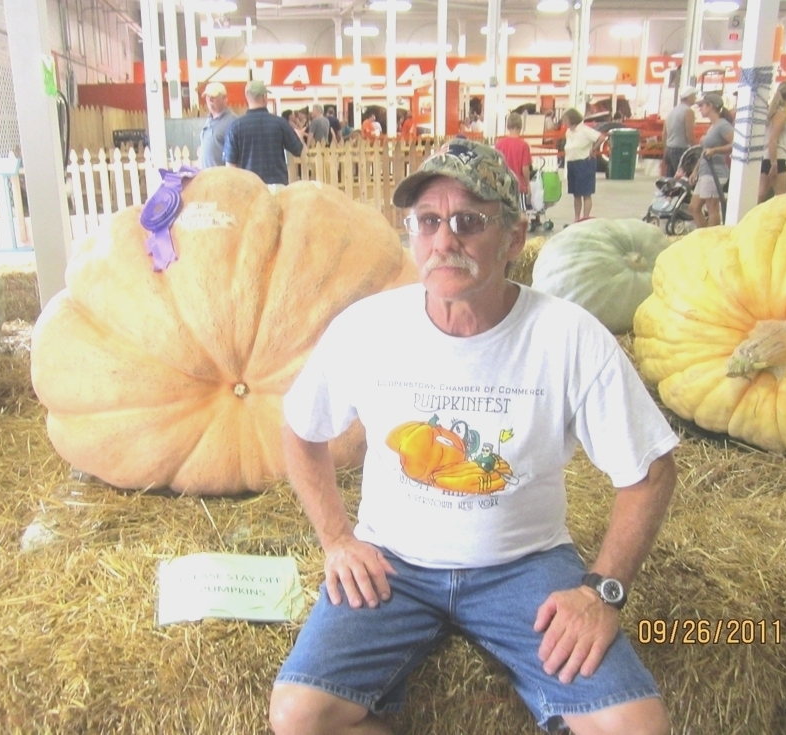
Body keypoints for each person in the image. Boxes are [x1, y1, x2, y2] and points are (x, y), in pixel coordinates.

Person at [269, 138, 678, 735]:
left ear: (514, 238)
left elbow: (651, 469)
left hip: (525, 567)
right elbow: (300, 428)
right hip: (393, 566)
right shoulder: (367, 328)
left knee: (636, 727)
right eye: (427, 222)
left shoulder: (567, 336)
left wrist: (602, 592)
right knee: (299, 716)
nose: (444, 240)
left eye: (468, 222)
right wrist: (336, 539)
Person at [223, 80, 304, 186]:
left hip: (250, 187)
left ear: (247, 97)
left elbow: (230, 166)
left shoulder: (235, 126)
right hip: (277, 185)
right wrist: (300, 136)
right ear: (264, 97)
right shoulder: (279, 123)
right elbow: (298, 149)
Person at [688, 92, 734, 228]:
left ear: (711, 106)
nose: (700, 109)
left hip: (715, 172)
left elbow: (735, 144)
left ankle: (712, 235)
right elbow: (704, 150)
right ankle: (703, 234)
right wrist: (695, 170)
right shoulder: (712, 126)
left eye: (702, 106)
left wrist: (715, 150)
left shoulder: (723, 125)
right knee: (694, 207)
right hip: (705, 170)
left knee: (712, 207)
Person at [560, 108, 606, 222]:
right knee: (576, 194)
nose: (564, 122)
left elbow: (601, 137)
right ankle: (577, 218)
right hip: (572, 163)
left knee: (586, 193)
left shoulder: (585, 130)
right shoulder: (569, 132)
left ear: (572, 119)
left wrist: (594, 149)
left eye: (565, 120)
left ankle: (585, 218)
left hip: (584, 163)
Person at [759, 81, 786, 203]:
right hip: (776, 158)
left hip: (766, 157)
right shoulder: (781, 114)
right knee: (782, 199)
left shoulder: (771, 113)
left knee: (760, 195)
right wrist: (774, 164)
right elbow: (773, 140)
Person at [495, 112, 532, 204]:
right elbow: (525, 168)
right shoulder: (524, 145)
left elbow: (496, 164)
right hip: (518, 186)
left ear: (508, 126)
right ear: (521, 126)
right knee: (520, 211)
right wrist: (528, 184)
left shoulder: (499, 144)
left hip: (503, 185)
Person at [197, 82, 236, 168]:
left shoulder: (233, 122)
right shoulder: (209, 119)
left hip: (221, 176)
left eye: (213, 96)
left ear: (224, 98)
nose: (209, 99)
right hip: (206, 174)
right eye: (207, 96)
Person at [662, 85, 698, 177]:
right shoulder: (688, 112)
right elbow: (689, 134)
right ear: (689, 97)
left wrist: (665, 148)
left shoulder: (672, 111)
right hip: (681, 149)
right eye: (694, 95)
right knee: (684, 178)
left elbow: (664, 133)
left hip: (670, 148)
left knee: (671, 179)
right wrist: (696, 149)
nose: (696, 98)